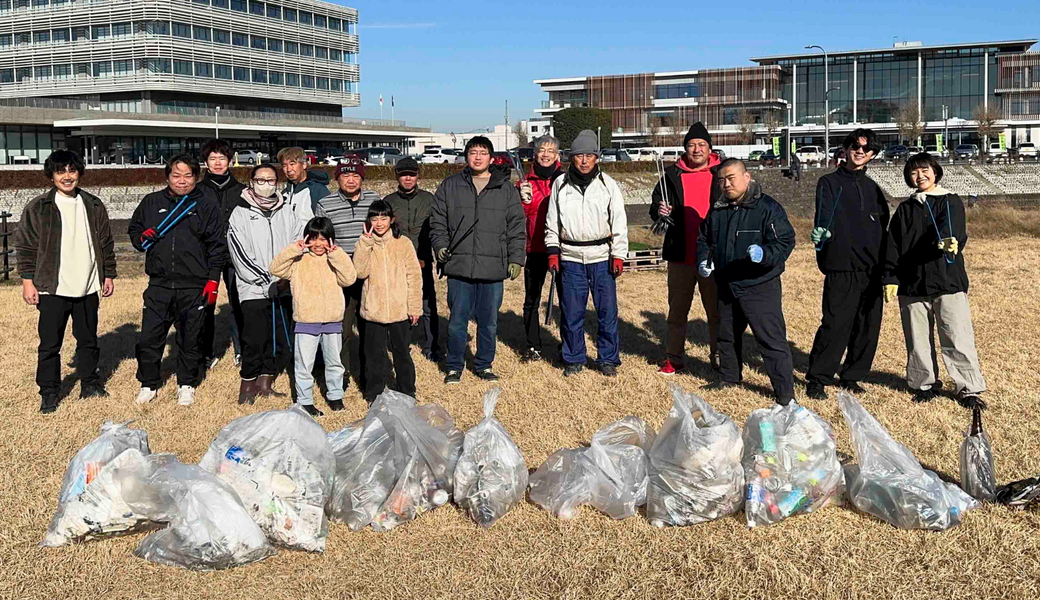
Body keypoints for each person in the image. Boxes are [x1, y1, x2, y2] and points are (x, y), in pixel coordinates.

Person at [15, 150, 116, 414]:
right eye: (61, 171)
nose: (67, 177)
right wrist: (28, 281)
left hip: (88, 284)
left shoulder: (93, 205)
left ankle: (90, 384)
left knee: (88, 340)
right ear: (52, 176)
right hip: (52, 287)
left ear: (80, 173)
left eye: (72, 170)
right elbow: (25, 246)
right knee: (50, 344)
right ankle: (49, 392)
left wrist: (108, 274)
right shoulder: (39, 207)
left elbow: (106, 243)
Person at [883, 153, 985, 408]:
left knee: (956, 336)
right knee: (917, 339)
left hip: (947, 281)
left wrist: (952, 242)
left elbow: (953, 228)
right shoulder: (905, 209)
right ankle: (924, 384)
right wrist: (890, 276)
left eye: (925, 170)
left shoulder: (950, 201)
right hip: (912, 284)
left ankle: (969, 388)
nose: (920, 176)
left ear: (935, 172)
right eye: (914, 172)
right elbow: (892, 246)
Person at [128, 154, 226, 406]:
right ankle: (149, 383)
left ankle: (186, 383)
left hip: (194, 285)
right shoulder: (151, 202)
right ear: (167, 176)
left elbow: (217, 246)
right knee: (150, 338)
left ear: (196, 177)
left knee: (190, 338)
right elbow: (135, 230)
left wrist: (213, 280)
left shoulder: (206, 205)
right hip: (159, 284)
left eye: (188, 176)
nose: (182, 181)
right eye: (176, 175)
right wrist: (141, 238)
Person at [697, 159, 796, 406]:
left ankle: (785, 393)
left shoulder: (767, 208)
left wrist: (765, 255)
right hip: (727, 282)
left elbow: (784, 241)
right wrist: (705, 260)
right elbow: (704, 239)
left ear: (747, 177)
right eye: (721, 179)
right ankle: (729, 377)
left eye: (731, 177)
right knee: (727, 334)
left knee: (771, 339)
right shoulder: (718, 209)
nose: (726, 184)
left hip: (759, 284)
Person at [430, 135, 526, 385]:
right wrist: (440, 246)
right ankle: (454, 366)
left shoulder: (505, 189)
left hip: (493, 268)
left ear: (491, 158)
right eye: (473, 152)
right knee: (456, 321)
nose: (478, 156)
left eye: (483, 152)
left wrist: (517, 258)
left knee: (489, 322)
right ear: (466, 156)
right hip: (459, 266)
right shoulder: (450, 186)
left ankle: (484, 364)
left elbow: (517, 226)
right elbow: (437, 221)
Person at [805, 129, 890, 400]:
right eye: (855, 145)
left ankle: (852, 375)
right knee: (835, 323)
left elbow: (884, 225)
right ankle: (818, 378)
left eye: (867, 148)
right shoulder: (829, 183)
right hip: (841, 265)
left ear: (873, 154)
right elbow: (824, 218)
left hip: (872, 268)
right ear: (846, 148)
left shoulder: (873, 188)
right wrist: (824, 239)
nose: (860, 151)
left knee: (867, 325)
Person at [545, 130, 628, 377]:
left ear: (597, 158)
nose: (584, 160)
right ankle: (574, 357)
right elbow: (552, 222)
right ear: (571, 157)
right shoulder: (560, 185)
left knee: (607, 312)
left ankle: (608, 358)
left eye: (589, 155)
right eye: (579, 155)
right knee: (571, 312)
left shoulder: (608, 185)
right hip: (570, 257)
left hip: (602, 256)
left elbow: (619, 223)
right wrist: (552, 251)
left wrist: (619, 254)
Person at [227, 164, 305, 405]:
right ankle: (247, 385)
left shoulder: (287, 211)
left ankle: (265, 383)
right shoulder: (240, 213)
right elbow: (239, 253)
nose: (266, 184)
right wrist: (267, 278)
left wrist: (285, 277)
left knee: (279, 338)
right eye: (261, 180)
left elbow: (296, 245)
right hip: (253, 288)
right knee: (254, 338)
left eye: (271, 180)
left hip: (283, 287)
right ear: (251, 182)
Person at [650, 122, 720, 375]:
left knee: (716, 312)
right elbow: (655, 203)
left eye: (701, 144)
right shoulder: (671, 175)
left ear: (710, 148)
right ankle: (674, 357)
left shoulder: (721, 173)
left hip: (713, 256)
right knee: (677, 312)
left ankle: (718, 357)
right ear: (685, 149)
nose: (697, 149)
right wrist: (660, 209)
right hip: (680, 255)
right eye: (691, 145)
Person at [269, 216, 357, 416]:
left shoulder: (334, 259)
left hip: (332, 319)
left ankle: (335, 396)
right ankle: (305, 400)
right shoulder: (299, 261)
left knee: (334, 362)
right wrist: (295, 249)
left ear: (331, 239)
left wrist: (337, 255)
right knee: (304, 364)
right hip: (307, 320)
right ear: (306, 239)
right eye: (314, 238)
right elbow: (275, 269)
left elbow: (349, 278)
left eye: (323, 239)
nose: (318, 244)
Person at [316, 157, 381, 390]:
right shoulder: (326, 203)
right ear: (337, 178)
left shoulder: (374, 199)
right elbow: (323, 240)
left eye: (356, 175)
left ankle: (369, 376)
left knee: (369, 329)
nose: (351, 180)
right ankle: (339, 376)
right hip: (340, 276)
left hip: (369, 275)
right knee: (341, 329)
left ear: (362, 177)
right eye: (345, 175)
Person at [353, 201, 422, 401]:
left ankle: (407, 392)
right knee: (374, 355)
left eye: (384, 218)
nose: (380, 223)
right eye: (375, 218)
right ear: (369, 221)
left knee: (402, 353)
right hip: (374, 310)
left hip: (400, 309)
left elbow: (414, 276)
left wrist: (414, 306)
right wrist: (365, 243)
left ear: (391, 219)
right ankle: (374, 394)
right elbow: (359, 272)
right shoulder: (365, 243)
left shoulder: (403, 243)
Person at [383, 157, 441, 362]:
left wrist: (437, 256)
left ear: (418, 176)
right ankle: (400, 344)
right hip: (396, 263)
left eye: (412, 174)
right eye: (403, 174)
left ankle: (432, 346)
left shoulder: (429, 199)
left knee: (427, 305)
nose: (408, 178)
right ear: (397, 176)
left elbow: (438, 229)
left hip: (423, 259)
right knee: (399, 304)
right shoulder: (388, 202)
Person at [198, 138, 247, 368]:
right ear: (206, 162)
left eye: (222, 158)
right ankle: (206, 352)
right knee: (206, 303)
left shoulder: (241, 191)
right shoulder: (197, 191)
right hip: (206, 257)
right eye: (213, 159)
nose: (218, 163)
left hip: (235, 256)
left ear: (230, 161)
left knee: (239, 302)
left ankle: (242, 350)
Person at [517, 134, 564, 362]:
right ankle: (533, 345)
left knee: (567, 299)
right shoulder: (526, 182)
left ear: (557, 155)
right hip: (535, 247)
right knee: (531, 299)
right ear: (535, 154)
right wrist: (523, 201)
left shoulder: (565, 180)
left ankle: (567, 343)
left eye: (550, 151)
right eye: (541, 150)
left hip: (562, 248)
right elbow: (520, 217)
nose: (546, 154)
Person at [278, 146, 331, 222]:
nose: (288, 169)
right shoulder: (285, 193)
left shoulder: (318, 191)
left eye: (292, 164)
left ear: (304, 165)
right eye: (284, 166)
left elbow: (328, 223)